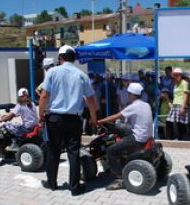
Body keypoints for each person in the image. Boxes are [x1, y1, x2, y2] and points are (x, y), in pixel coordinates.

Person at [38, 45, 97, 195]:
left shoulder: (52, 72)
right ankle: (75, 187)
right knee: (73, 152)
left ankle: (52, 183)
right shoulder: (81, 74)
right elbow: (90, 99)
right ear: (74, 58)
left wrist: (41, 115)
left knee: (53, 151)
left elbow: (44, 95)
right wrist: (93, 118)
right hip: (74, 120)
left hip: (54, 118)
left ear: (60, 58)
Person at [98, 83, 154, 190]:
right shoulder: (146, 104)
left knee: (111, 151)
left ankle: (119, 178)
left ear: (132, 94)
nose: (128, 95)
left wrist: (101, 121)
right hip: (147, 135)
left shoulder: (133, 106)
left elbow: (116, 116)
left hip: (138, 138)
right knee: (119, 127)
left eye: (129, 93)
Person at [166, 68, 190, 140]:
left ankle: (181, 138)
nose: (175, 76)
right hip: (175, 104)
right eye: (174, 75)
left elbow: (186, 95)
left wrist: (183, 107)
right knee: (169, 121)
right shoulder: (176, 84)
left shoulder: (184, 83)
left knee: (180, 123)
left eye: (176, 75)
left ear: (180, 75)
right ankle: (172, 137)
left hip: (180, 104)